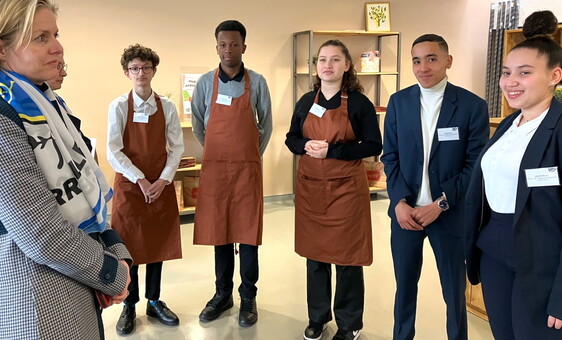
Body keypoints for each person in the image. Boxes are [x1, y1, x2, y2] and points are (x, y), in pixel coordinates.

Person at [0, 1, 132, 339]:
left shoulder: (48, 110)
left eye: (56, 34)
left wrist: (116, 256)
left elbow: (85, 190)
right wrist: (112, 273)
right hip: (32, 303)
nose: (58, 47)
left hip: (72, 283)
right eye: (40, 38)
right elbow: (42, 233)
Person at [381, 34, 489, 340]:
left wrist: (440, 204)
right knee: (404, 286)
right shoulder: (399, 102)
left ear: (447, 61)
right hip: (406, 215)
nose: (423, 67)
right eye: (416, 60)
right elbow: (390, 156)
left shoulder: (471, 106)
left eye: (431, 59)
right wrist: (399, 202)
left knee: (454, 292)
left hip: (449, 214)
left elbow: (475, 166)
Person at [465, 10, 562, 340]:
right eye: (507, 72)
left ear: (555, 76)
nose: (510, 82)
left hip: (541, 259)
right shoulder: (507, 124)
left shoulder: (558, 129)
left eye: (524, 72)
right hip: (494, 248)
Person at [285, 39, 382, 340]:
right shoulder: (305, 102)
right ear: (316, 66)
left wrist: (334, 151)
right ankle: (317, 318)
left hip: (346, 193)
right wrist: (304, 145)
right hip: (312, 190)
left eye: (336, 59)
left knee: (348, 259)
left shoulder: (359, 103)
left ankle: (349, 323)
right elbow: (291, 139)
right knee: (315, 258)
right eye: (322, 59)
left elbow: (374, 144)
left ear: (347, 66)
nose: (328, 65)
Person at [191, 19, 272, 327]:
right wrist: (216, 152)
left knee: (248, 237)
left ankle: (248, 296)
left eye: (234, 44)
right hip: (215, 172)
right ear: (217, 47)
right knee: (220, 234)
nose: (228, 50)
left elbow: (266, 125)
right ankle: (222, 294)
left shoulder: (258, 82)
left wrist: (250, 154)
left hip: (247, 172)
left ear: (243, 47)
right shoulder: (204, 84)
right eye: (223, 45)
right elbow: (199, 126)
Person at [107, 43, 184, 335]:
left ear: (154, 71)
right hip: (131, 187)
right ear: (127, 72)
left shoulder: (167, 107)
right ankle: (129, 305)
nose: (141, 73)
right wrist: (141, 180)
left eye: (146, 68)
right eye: (135, 68)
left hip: (160, 185)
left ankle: (154, 301)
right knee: (129, 248)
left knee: (156, 245)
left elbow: (176, 147)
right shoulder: (118, 106)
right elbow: (114, 151)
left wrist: (163, 180)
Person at [46, 60, 93, 152]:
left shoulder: (58, 99)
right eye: (57, 67)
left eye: (63, 67)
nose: (64, 73)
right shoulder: (32, 106)